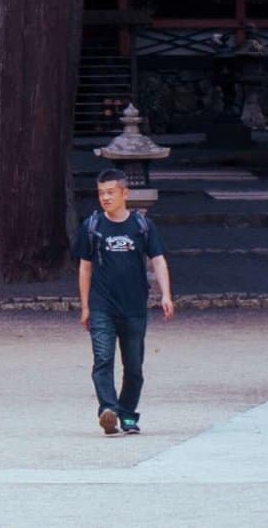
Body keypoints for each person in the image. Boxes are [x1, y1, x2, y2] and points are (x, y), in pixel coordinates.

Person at [74, 169, 175, 435]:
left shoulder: (142, 226)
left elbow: (158, 260)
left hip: (134, 307)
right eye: (101, 193)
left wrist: (165, 293)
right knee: (103, 359)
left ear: (124, 193)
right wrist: (85, 307)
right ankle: (108, 409)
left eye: (110, 192)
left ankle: (128, 414)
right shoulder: (92, 227)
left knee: (133, 366)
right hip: (101, 306)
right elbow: (85, 268)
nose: (105, 198)